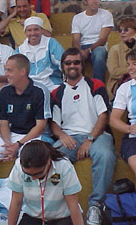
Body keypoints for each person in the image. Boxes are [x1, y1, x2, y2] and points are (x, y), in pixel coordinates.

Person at [50, 47, 116, 225]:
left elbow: (103, 116)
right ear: (62, 66)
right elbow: (54, 123)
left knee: (105, 155)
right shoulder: (56, 92)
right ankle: (56, 207)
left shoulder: (95, 84)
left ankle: (95, 206)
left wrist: (89, 140)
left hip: (96, 134)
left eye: (76, 62)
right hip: (69, 137)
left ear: (83, 65)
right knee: (50, 159)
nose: (72, 66)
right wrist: (62, 135)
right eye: (68, 63)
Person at [0, 54, 51, 183]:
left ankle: (15, 198)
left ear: (23, 71)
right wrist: (8, 144)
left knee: (26, 158)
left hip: (33, 137)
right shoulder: (4, 91)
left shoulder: (40, 91)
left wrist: (18, 145)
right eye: (6, 69)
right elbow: (3, 123)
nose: (5, 74)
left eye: (9, 70)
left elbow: (40, 126)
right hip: (11, 136)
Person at [8, 140, 83, 225]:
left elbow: (73, 206)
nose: (33, 178)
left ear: (48, 162)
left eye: (38, 173)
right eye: (28, 174)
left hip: (62, 218)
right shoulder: (18, 166)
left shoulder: (64, 166)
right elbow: (16, 202)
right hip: (33, 217)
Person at [15, 16, 63, 91]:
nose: (33, 33)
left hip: (52, 85)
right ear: (25, 32)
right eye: (29, 30)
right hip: (29, 88)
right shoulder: (20, 50)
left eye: (36, 29)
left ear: (41, 30)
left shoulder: (51, 43)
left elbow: (63, 63)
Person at [71, 0, 114, 82]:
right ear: (85, 2)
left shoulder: (106, 14)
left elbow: (103, 39)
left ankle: (98, 87)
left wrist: (89, 50)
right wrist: (79, 51)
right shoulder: (77, 18)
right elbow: (76, 40)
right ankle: (74, 86)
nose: (95, 1)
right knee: (70, 57)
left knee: (99, 54)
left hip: (98, 46)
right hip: (82, 46)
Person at [110, 49, 136, 178]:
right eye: (128, 64)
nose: (130, 68)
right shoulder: (125, 88)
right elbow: (114, 119)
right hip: (133, 138)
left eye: (134, 64)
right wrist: (129, 128)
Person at [106, 17, 136, 100]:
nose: (122, 33)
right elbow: (114, 72)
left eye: (126, 30)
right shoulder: (115, 49)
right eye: (120, 30)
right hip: (120, 83)